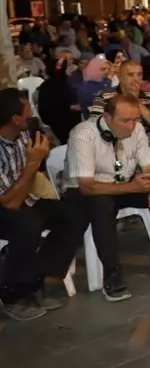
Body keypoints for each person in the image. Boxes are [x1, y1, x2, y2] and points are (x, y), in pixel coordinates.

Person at [64, 94, 150, 302]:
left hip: (124, 184)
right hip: (87, 192)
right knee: (102, 205)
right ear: (107, 118)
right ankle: (112, 273)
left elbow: (148, 165)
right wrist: (133, 186)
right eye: (125, 120)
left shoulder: (136, 130)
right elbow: (87, 186)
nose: (131, 125)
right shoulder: (83, 134)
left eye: (135, 119)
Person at [0, 89, 88, 320]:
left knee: (72, 214)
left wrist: (36, 161)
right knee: (27, 224)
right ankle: (11, 294)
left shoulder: (21, 137)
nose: (31, 112)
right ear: (15, 119)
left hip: (21, 201)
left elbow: (22, 194)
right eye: (26, 109)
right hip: (5, 208)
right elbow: (9, 204)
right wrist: (33, 163)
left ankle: (35, 279)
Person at [89, 59, 150, 132]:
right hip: (115, 139)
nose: (136, 79)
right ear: (119, 76)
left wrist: (135, 101)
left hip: (147, 140)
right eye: (130, 74)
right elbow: (94, 126)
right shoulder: (104, 97)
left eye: (139, 74)